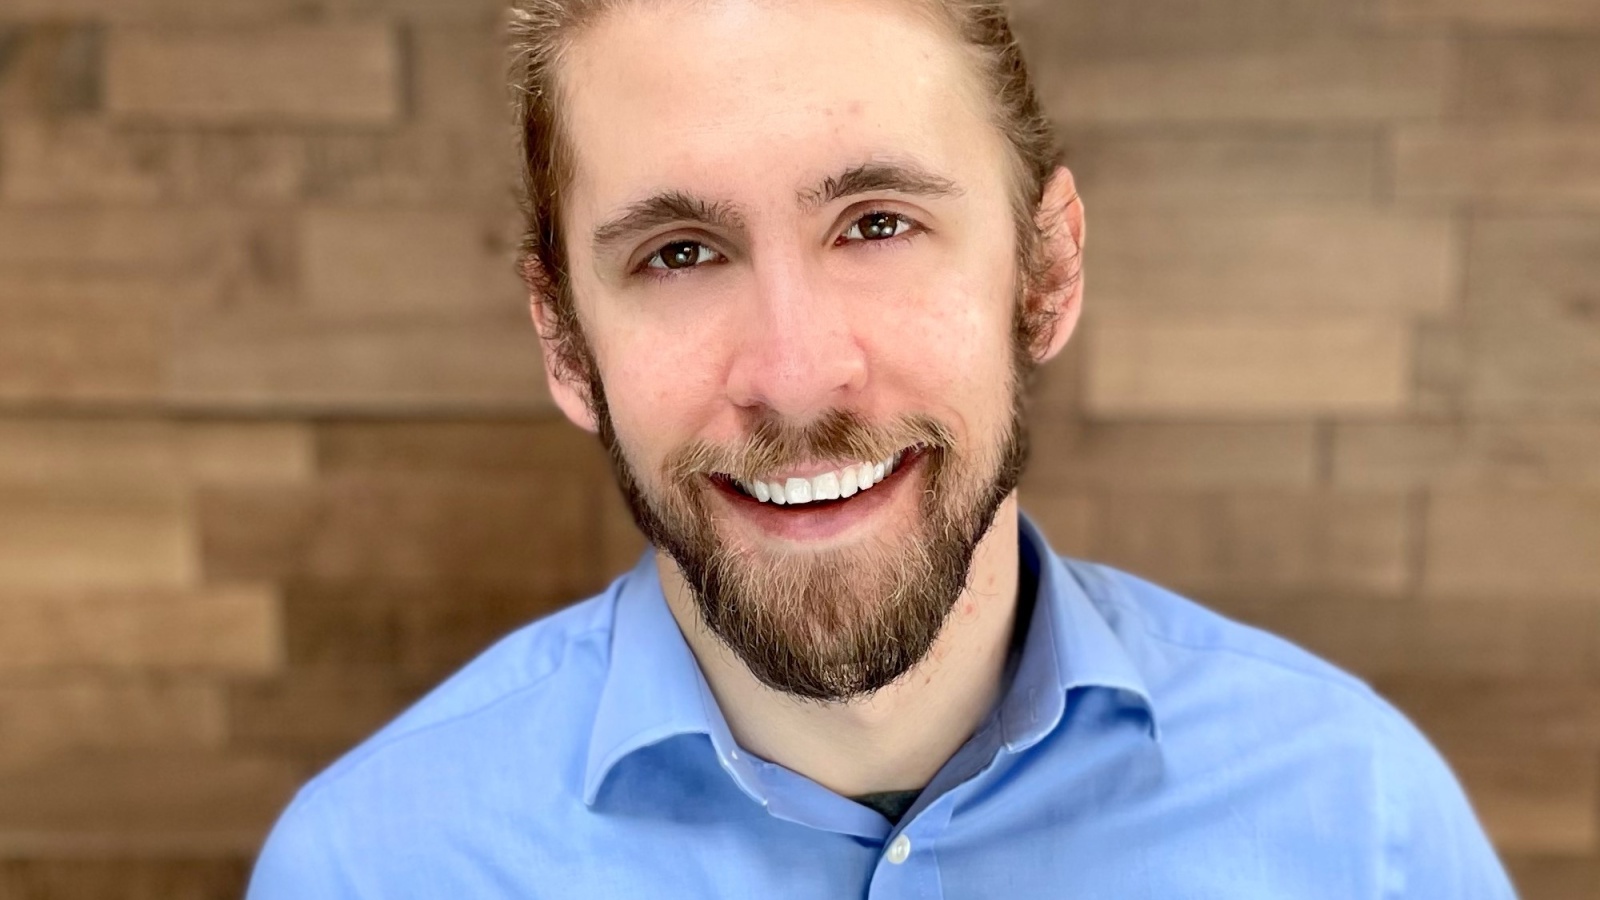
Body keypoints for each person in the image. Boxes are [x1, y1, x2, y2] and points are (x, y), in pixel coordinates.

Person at [248, 0, 1515, 896]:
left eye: (877, 223)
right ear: (565, 342)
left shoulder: (1364, 823)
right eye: (678, 254)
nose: (797, 375)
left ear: (1046, 268)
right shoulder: (366, 869)